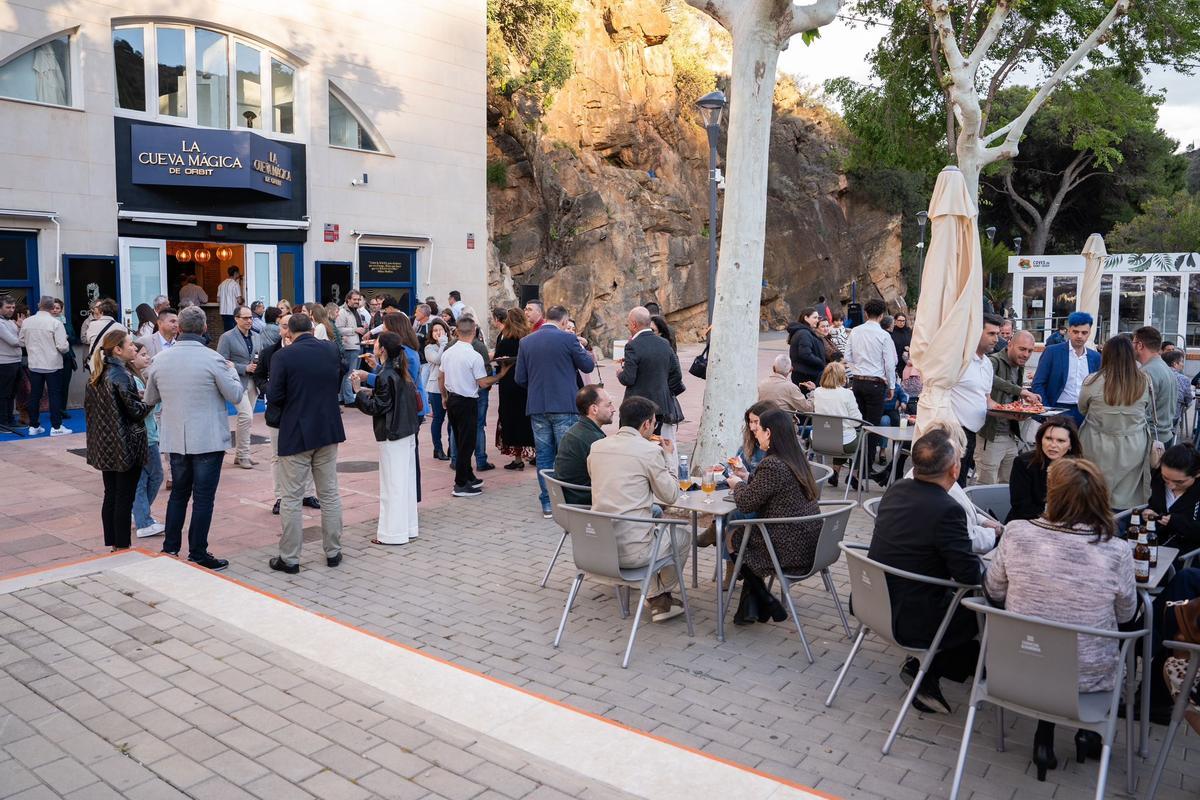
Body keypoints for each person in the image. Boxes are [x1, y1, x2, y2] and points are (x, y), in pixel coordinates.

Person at [983, 457, 1136, 780]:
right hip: (1086, 676)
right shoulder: (1116, 550)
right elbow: (1127, 614)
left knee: (1046, 640)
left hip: (1015, 665)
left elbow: (994, 591)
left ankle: (1045, 737)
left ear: (1051, 494)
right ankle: (1087, 733)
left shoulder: (1017, 533)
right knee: (1080, 641)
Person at [868, 429, 983, 713]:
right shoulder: (947, 510)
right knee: (985, 609)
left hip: (873, 599)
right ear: (955, 470)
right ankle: (935, 669)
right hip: (910, 616)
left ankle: (941, 670)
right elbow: (970, 577)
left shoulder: (896, 490)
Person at [143, 306, 242, 570]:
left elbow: (150, 399)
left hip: (176, 437)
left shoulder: (162, 359)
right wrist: (232, 370)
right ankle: (198, 551)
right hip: (207, 438)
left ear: (180, 328)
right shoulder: (213, 359)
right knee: (203, 498)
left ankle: (170, 548)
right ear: (204, 328)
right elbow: (235, 395)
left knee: (178, 495)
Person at [588, 396, 687, 622]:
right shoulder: (650, 452)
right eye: (653, 423)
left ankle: (656, 597)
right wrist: (669, 458)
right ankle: (659, 594)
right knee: (681, 536)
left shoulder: (597, 447)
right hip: (632, 553)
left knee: (651, 522)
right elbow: (671, 495)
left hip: (596, 548)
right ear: (646, 425)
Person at [724, 407, 822, 625]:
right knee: (750, 534)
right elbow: (772, 488)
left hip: (788, 548)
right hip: (812, 542)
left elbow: (747, 503)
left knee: (732, 535)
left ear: (768, 432)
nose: (755, 433)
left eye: (758, 429)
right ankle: (756, 606)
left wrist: (737, 483)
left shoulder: (773, 464)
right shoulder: (795, 458)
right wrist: (748, 477)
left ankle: (764, 599)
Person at [266, 314, 347, 573]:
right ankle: (333, 551)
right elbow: (337, 380)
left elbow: (275, 394)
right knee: (330, 493)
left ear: (288, 332)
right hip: (327, 428)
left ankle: (290, 558)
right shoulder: (330, 349)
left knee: (291, 496)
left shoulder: (283, 356)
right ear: (312, 328)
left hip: (297, 431)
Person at [515, 305, 596, 517]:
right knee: (565, 454)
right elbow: (587, 365)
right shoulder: (568, 339)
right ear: (563, 321)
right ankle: (567, 500)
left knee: (544, 456)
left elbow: (520, 378)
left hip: (537, 406)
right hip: (564, 406)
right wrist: (582, 346)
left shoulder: (526, 341)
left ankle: (548, 502)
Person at [84, 329, 152, 551]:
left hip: (106, 445)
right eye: (130, 345)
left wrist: (136, 399)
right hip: (125, 445)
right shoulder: (121, 374)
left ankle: (113, 542)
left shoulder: (98, 373)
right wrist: (150, 400)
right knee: (124, 497)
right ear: (118, 350)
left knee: (111, 494)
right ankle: (122, 545)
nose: (134, 348)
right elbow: (135, 412)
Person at [352, 332, 421, 545]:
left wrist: (358, 393)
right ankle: (408, 528)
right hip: (406, 430)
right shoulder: (400, 371)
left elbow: (378, 406)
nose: (373, 345)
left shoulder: (387, 374)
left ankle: (393, 533)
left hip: (392, 432)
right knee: (404, 483)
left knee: (392, 484)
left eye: (376, 343)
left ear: (382, 349)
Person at [1078, 334, 1152, 510]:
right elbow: (1146, 409)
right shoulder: (1144, 381)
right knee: (1128, 493)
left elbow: (1082, 408)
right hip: (1134, 443)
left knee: (1094, 489)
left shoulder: (1093, 381)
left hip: (1096, 441)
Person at [439, 317, 509, 498]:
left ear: (456, 332)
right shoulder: (474, 356)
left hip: (453, 399)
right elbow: (483, 382)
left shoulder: (448, 352)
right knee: (466, 443)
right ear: (475, 331)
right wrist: (501, 374)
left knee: (460, 437)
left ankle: (468, 476)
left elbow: (441, 377)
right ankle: (460, 484)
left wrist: (444, 397)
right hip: (466, 401)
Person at [617, 306, 685, 470]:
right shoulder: (664, 344)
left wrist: (620, 372)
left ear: (634, 324)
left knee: (633, 447)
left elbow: (629, 378)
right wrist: (664, 391)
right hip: (660, 407)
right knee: (656, 446)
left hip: (636, 408)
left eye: (628, 324)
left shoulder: (632, 346)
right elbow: (677, 375)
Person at [976, 329, 1038, 484]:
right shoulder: (993, 361)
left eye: (1030, 351)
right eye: (1022, 349)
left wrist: (1024, 406)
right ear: (1010, 344)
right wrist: (1020, 391)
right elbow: (991, 379)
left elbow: (1010, 400)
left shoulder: (1018, 365)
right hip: (990, 434)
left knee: (1009, 485)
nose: (1026, 354)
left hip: (1010, 435)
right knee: (986, 487)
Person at [844, 299, 897, 482]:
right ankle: (864, 469)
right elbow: (890, 364)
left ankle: (854, 468)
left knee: (858, 425)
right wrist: (891, 386)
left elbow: (847, 356)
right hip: (876, 383)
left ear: (866, 313)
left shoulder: (855, 332)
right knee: (872, 428)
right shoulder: (883, 336)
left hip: (858, 382)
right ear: (882, 315)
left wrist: (856, 370)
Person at [949, 313, 1001, 486]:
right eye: (991, 334)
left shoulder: (987, 363)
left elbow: (987, 399)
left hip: (973, 434)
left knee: (961, 481)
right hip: (953, 432)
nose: (996, 339)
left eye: (998, 334)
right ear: (976, 333)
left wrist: (1010, 412)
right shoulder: (959, 359)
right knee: (953, 481)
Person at [1030, 312, 1100, 426]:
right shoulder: (1052, 352)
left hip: (1086, 413)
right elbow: (1038, 383)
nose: (1079, 336)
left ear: (1089, 333)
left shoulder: (1095, 357)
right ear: (1069, 331)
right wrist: (1048, 412)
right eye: (1076, 332)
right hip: (1058, 409)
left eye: (1084, 332)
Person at [1007, 417, 1082, 522]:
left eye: (1060, 441)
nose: (1053, 445)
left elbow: (1082, 506)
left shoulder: (1078, 467)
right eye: (1048, 438)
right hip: (1026, 523)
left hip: (1067, 525)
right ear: (1040, 439)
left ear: (1070, 445)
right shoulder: (1023, 463)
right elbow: (1022, 507)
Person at [216, 306, 263, 469]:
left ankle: (242, 454)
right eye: (245, 318)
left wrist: (258, 367)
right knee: (246, 416)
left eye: (251, 317)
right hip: (236, 382)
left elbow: (259, 356)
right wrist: (243, 368)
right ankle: (243, 455)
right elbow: (220, 361)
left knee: (246, 420)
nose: (249, 320)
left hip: (253, 382)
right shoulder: (227, 337)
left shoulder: (257, 336)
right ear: (236, 319)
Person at [554, 385, 615, 505]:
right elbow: (610, 480)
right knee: (654, 509)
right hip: (584, 501)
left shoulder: (576, 429)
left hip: (571, 496)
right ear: (594, 409)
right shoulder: (594, 440)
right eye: (608, 405)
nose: (613, 409)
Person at [20, 297, 71, 436]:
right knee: (54, 395)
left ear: (39, 305)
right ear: (51, 307)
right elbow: (62, 347)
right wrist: (65, 342)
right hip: (52, 364)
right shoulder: (55, 323)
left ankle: (34, 425)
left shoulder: (27, 321)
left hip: (35, 363)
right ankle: (56, 427)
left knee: (35, 395)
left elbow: (21, 342)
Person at [128, 342, 164, 539]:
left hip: (147, 433)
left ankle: (140, 513)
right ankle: (143, 520)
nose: (147, 357)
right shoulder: (135, 380)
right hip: (145, 436)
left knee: (144, 478)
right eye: (142, 354)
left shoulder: (139, 378)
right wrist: (153, 399)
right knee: (153, 476)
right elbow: (143, 407)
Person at [494, 308, 536, 470]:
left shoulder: (506, 341)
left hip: (509, 385)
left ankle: (518, 458)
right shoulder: (530, 339)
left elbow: (499, 361)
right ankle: (537, 454)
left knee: (511, 419)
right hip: (527, 384)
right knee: (529, 418)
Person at [1144, 442, 1200, 558]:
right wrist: (1149, 513)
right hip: (1153, 542)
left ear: (1197, 474)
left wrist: (1176, 522)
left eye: (1180, 482)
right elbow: (1154, 505)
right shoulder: (1158, 479)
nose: (1171, 486)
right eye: (1166, 478)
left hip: (1186, 554)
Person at [813, 361, 863, 488]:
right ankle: (854, 475)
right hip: (842, 442)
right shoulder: (847, 394)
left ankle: (835, 472)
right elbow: (857, 421)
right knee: (860, 438)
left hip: (820, 440)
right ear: (842, 377)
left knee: (839, 433)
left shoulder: (817, 392)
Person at [1133, 326, 1178, 445]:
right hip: (1164, 435)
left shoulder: (1147, 372)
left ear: (1140, 345)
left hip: (1152, 438)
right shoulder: (1164, 367)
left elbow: (1139, 410)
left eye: (1133, 342)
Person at [424, 318, 452, 461]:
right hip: (435, 388)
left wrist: (446, 344)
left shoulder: (451, 345)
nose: (438, 333)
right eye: (435, 330)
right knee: (438, 419)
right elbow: (437, 360)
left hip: (451, 386)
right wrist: (442, 345)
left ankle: (451, 447)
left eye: (440, 330)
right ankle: (438, 448)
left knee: (452, 420)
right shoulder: (429, 348)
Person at [335, 290, 370, 406]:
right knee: (350, 374)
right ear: (348, 299)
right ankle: (349, 399)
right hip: (349, 346)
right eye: (354, 299)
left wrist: (362, 328)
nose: (357, 302)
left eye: (358, 299)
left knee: (349, 373)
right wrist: (354, 330)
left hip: (357, 344)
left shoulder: (357, 311)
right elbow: (337, 329)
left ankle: (341, 397)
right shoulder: (342, 312)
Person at [48, 298, 75, 422]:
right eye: (53, 308)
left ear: (61, 309)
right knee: (54, 386)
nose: (55, 310)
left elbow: (74, 337)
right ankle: (55, 410)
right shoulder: (46, 322)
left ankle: (62, 410)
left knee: (64, 385)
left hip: (66, 357)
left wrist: (67, 337)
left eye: (57, 308)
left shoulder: (65, 322)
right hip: (51, 357)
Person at [787, 307, 826, 387]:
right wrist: (821, 362)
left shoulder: (805, 332)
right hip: (806, 377)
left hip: (805, 374)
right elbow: (805, 354)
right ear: (806, 318)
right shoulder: (804, 333)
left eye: (817, 318)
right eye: (814, 317)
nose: (817, 320)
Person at [0, 295, 20, 427]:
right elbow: (14, 341)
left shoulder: (11, 322)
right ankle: (3, 422)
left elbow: (18, 339)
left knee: (12, 394)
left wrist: (19, 328)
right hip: (5, 363)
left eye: (13, 307)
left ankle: (10, 420)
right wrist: (25, 334)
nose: (11, 310)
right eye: (7, 307)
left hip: (15, 361)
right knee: (4, 394)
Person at [1163, 349, 1192, 431]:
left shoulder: (1157, 374)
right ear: (1174, 364)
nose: (1183, 364)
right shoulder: (1183, 379)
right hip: (1172, 417)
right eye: (1181, 361)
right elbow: (1188, 400)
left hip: (1154, 416)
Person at [217, 266, 243, 331]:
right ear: (235, 273)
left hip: (223, 312)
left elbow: (218, 300)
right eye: (238, 273)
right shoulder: (235, 284)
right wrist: (243, 300)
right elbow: (239, 301)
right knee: (233, 331)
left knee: (226, 331)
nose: (239, 274)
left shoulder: (221, 284)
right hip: (232, 312)